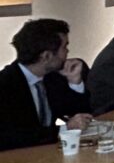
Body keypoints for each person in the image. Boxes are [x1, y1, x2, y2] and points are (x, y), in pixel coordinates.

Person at [0, 19, 92, 150]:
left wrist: (74, 82)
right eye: (64, 47)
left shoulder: (53, 77)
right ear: (46, 56)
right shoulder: (5, 85)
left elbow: (81, 116)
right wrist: (64, 129)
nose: (67, 52)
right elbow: (11, 137)